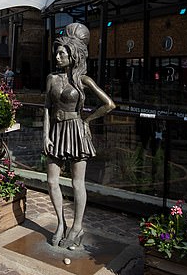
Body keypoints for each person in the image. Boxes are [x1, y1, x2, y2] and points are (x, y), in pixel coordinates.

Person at [43, 23, 115, 249]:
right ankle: (60, 224)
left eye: (62, 53)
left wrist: (87, 120)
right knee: (52, 180)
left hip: (76, 131)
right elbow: (46, 108)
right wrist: (45, 135)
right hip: (56, 130)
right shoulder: (51, 78)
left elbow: (109, 104)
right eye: (57, 52)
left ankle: (77, 226)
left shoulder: (83, 80)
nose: (57, 56)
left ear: (72, 56)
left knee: (77, 183)